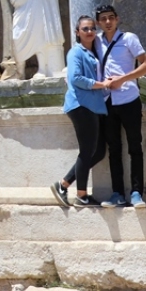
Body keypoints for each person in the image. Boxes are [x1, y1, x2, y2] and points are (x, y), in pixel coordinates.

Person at [92, 5, 146, 208]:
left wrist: (123, 79)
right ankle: (117, 193)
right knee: (114, 148)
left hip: (128, 98)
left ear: (117, 19)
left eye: (111, 18)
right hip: (108, 100)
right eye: (103, 19)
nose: (108, 22)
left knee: (135, 146)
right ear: (99, 22)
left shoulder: (129, 38)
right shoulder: (97, 41)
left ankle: (136, 192)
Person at [50, 16, 111, 208]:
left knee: (99, 151)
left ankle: (63, 184)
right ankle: (81, 195)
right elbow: (75, 77)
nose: (90, 31)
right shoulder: (75, 52)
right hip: (81, 105)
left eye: (93, 28)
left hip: (93, 106)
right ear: (77, 32)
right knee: (87, 151)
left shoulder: (93, 52)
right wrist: (101, 84)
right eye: (85, 29)